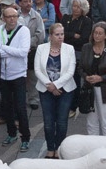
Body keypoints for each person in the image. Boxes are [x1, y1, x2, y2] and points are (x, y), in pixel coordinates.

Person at [32, 21, 78, 156]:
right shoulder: (41, 48)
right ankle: (50, 148)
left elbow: (71, 71)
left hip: (65, 90)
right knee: (48, 122)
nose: (60, 37)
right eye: (57, 34)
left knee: (62, 122)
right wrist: (50, 86)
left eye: (62, 34)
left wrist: (56, 85)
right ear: (50, 36)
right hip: (45, 89)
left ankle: (59, 149)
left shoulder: (69, 49)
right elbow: (37, 70)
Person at [0, 2, 33, 152]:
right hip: (3, 75)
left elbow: (23, 52)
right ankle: (11, 133)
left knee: (21, 108)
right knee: (7, 107)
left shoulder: (24, 31)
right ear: (3, 18)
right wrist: (10, 50)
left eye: (14, 16)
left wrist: (4, 48)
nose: (12, 19)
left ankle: (26, 137)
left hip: (18, 75)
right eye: (8, 17)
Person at [81, 20, 106, 138]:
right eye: (95, 33)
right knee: (91, 122)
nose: (97, 35)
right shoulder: (86, 48)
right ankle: (93, 148)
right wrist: (86, 77)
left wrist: (101, 78)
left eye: (100, 33)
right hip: (89, 89)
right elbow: (80, 68)